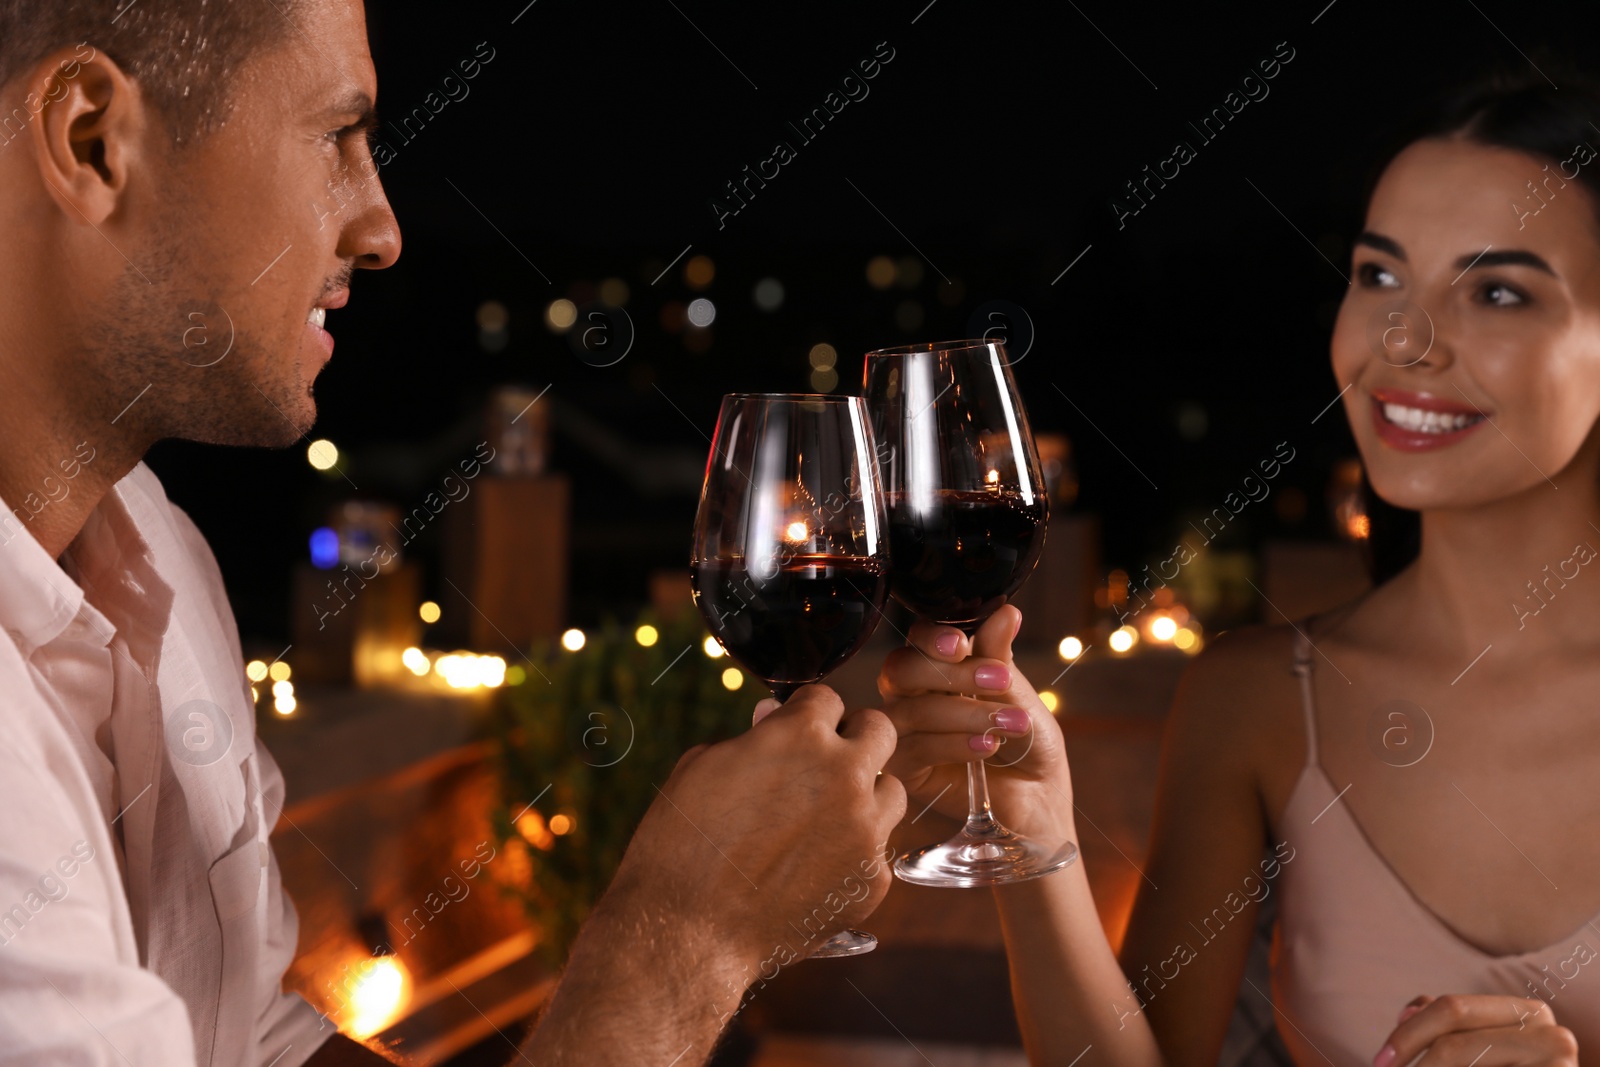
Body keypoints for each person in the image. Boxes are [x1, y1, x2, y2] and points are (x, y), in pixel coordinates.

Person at [0, 1, 905, 1064]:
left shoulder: (159, 555)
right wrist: (684, 936)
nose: (381, 229)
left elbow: (252, 1038)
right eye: (336, 135)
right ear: (92, 140)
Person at [880, 67, 1600, 1067]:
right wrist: (1033, 828)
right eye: (1379, 275)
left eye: (1496, 290)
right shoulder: (1254, 698)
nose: (1403, 339)